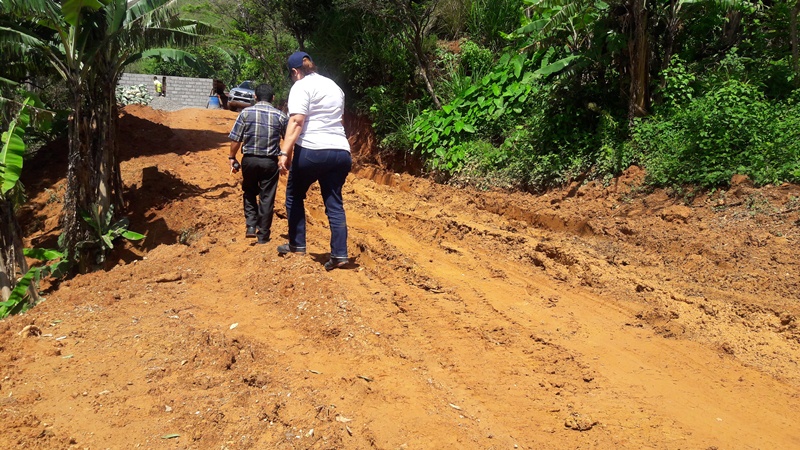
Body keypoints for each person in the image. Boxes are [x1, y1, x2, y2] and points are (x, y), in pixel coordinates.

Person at [277, 51, 352, 271]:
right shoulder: (334, 87)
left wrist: (284, 152)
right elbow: (340, 120)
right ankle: (340, 254)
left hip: (312, 150)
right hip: (340, 151)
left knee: (294, 195)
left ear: (295, 71)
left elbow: (296, 120)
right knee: (334, 202)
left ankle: (296, 245)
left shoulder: (301, 86)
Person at [228, 84, 288, 244]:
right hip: (270, 162)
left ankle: (250, 226)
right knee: (267, 197)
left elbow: (236, 138)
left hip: (249, 160)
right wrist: (285, 159)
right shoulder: (281, 116)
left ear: (255, 96)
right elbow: (288, 140)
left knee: (249, 191)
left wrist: (232, 157)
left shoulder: (245, 113)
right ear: (273, 98)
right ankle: (263, 235)